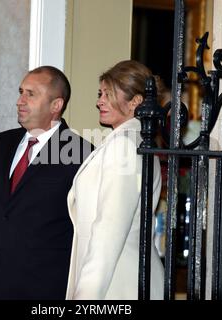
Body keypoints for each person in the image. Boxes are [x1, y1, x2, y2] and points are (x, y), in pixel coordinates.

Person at [0, 66, 93, 300]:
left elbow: (87, 233)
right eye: (21, 91)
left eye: (31, 94)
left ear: (56, 105)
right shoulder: (1, 143)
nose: (20, 101)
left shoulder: (81, 153)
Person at [65, 60, 164, 300]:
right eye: (100, 94)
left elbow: (110, 229)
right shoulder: (129, 141)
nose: (99, 101)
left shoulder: (125, 145)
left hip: (116, 285)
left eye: (108, 94)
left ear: (135, 102)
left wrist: (86, 295)